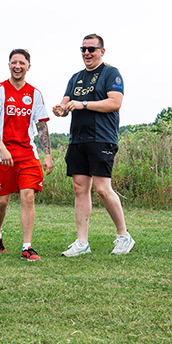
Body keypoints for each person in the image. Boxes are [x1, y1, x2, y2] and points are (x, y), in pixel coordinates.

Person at [52, 34, 135, 257]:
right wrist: (60, 109)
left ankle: (124, 236)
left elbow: (115, 103)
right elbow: (66, 103)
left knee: (102, 188)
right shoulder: (76, 77)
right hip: (78, 139)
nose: (87, 53)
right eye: (83, 49)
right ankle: (82, 242)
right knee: (80, 188)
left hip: (102, 137)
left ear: (101, 51)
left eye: (91, 49)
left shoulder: (111, 73)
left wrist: (84, 104)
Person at [0, 49, 53, 261]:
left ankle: (27, 248)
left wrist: (48, 155)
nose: (17, 66)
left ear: (28, 67)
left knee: (28, 196)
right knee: (2, 202)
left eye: (21, 63)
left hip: (27, 154)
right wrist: (2, 148)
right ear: (9, 65)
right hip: (2, 155)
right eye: (14, 62)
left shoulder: (35, 94)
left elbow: (41, 125)